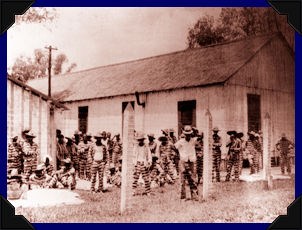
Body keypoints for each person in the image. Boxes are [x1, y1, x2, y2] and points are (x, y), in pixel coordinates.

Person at [174, 125, 199, 201]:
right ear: (184, 134)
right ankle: (183, 197)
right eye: (186, 134)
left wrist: (195, 130)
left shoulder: (194, 140)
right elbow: (174, 147)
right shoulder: (181, 141)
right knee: (182, 180)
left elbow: (201, 136)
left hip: (191, 162)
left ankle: (194, 196)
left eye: (189, 134)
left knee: (193, 179)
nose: (188, 136)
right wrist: (180, 155)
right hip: (183, 162)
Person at [132, 132, 152, 196]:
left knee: (146, 178)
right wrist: (134, 163)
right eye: (139, 140)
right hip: (137, 163)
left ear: (143, 140)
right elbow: (133, 155)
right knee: (135, 178)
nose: (140, 141)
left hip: (144, 163)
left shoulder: (146, 147)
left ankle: (148, 191)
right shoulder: (136, 147)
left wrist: (149, 161)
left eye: (141, 140)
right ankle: (133, 191)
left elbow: (149, 155)